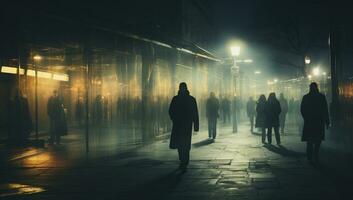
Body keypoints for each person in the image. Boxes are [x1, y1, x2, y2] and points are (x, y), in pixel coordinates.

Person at [169, 82, 199, 171]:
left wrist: (174, 119)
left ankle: (182, 158)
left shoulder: (175, 99)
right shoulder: (191, 99)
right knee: (185, 141)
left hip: (179, 124)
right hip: (187, 124)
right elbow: (195, 113)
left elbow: (170, 111)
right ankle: (185, 159)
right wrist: (196, 124)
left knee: (180, 142)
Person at [301, 82, 330, 164]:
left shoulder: (306, 97)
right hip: (319, 122)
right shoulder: (321, 97)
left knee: (309, 140)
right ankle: (316, 155)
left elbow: (302, 109)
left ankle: (309, 156)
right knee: (318, 140)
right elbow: (325, 110)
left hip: (309, 122)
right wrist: (327, 121)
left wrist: (306, 118)